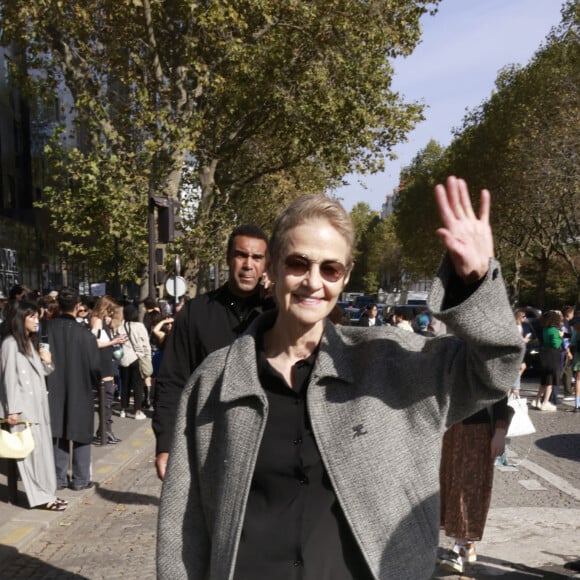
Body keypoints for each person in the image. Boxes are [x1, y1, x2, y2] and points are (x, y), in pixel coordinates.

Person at [157, 177, 524, 580]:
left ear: (345, 277)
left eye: (330, 269)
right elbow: (183, 527)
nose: (314, 281)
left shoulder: (393, 363)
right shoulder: (214, 382)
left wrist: (475, 281)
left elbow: (494, 370)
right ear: (274, 267)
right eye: (299, 263)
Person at [152, 224, 269, 479]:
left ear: (266, 264)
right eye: (241, 255)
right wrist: (166, 443)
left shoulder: (279, 313)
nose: (249, 265)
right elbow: (172, 380)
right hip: (209, 445)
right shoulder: (196, 313)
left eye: (257, 257)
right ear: (228, 259)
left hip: (268, 447)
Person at [0, 300, 68, 511]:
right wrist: (12, 410)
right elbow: (8, 378)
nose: (37, 320)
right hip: (23, 409)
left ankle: (48, 493)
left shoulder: (28, 342)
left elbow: (43, 372)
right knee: (29, 456)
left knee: (42, 453)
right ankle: (40, 497)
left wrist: (47, 360)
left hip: (38, 406)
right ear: (21, 318)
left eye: (37, 316)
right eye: (32, 316)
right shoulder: (10, 344)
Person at [437, 397, 514, 574]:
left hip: (477, 430)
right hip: (451, 428)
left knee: (469, 488)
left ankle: (461, 548)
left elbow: (499, 391)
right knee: (451, 485)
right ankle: (466, 545)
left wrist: (500, 431)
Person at [47, 288, 101, 491]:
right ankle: (80, 479)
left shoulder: (46, 329)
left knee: (57, 430)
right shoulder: (85, 335)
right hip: (80, 385)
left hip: (52, 384)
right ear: (78, 306)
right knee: (80, 432)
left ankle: (58, 478)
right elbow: (95, 366)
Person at [90, 295, 128, 444]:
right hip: (102, 363)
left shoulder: (101, 321)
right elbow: (95, 342)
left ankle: (106, 429)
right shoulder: (96, 320)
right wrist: (114, 341)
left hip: (107, 361)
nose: (111, 314)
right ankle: (105, 431)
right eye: (110, 310)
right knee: (106, 396)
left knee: (108, 395)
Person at [118, 304, 152, 420]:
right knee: (138, 386)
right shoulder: (140, 326)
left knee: (125, 385)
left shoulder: (121, 326)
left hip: (124, 359)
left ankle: (123, 409)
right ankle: (137, 411)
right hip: (137, 358)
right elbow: (146, 343)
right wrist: (148, 357)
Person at [531, 310, 563, 412]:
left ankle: (536, 400)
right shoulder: (554, 330)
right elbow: (556, 344)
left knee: (544, 382)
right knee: (550, 382)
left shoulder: (545, 329)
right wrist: (560, 337)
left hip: (545, 357)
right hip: (553, 357)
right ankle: (545, 402)